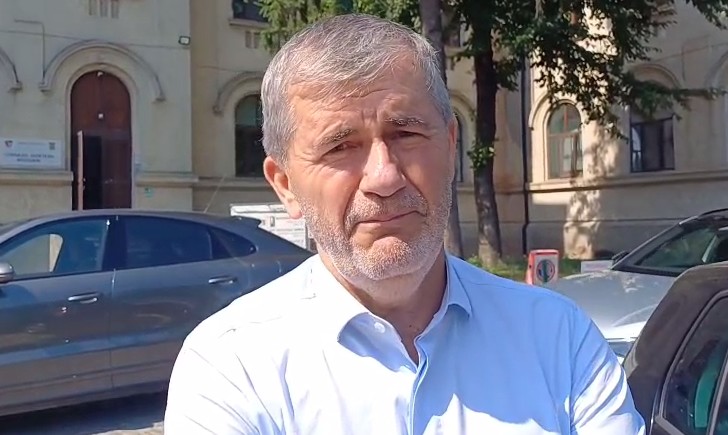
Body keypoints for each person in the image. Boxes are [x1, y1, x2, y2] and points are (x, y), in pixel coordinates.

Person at [164, 13, 645, 435]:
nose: (385, 177)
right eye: (340, 146)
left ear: (451, 146)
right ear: (286, 184)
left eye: (406, 133)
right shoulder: (232, 365)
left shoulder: (558, 338)